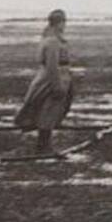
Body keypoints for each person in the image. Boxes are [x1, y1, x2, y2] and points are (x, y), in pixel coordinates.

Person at [15, 9, 75, 153]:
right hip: (52, 80)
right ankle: (43, 146)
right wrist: (57, 86)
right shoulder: (52, 41)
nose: (64, 25)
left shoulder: (51, 38)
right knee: (48, 112)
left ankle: (44, 145)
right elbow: (52, 66)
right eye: (63, 22)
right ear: (59, 23)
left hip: (56, 78)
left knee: (49, 111)